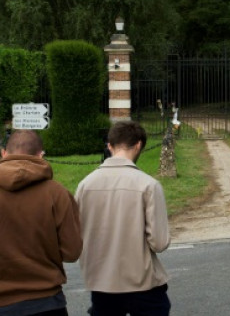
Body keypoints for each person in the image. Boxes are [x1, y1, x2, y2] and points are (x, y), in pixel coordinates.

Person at [0, 130, 82, 315]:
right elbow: (72, 252)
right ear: (40, 155)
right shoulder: (57, 194)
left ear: (4, 153)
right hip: (48, 303)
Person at [76, 121, 171, 316]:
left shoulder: (85, 185)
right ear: (138, 145)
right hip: (142, 282)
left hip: (101, 283)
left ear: (110, 146)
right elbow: (159, 242)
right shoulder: (148, 185)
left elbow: (77, 236)